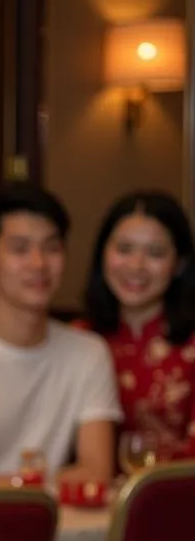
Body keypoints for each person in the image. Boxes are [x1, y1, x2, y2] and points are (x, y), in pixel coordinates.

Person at [0, 183, 121, 483]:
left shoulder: (88, 353)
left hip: (57, 525)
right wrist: (26, 485)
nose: (39, 263)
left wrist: (6, 486)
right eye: (20, 249)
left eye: (51, 248)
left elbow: (96, 471)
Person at [83, 191, 195, 461]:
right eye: (124, 249)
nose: (136, 266)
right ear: (103, 254)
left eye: (155, 253)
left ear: (178, 263)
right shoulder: (78, 340)